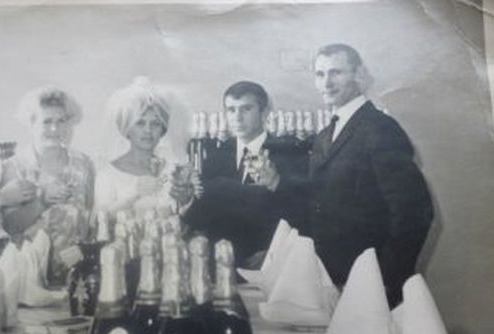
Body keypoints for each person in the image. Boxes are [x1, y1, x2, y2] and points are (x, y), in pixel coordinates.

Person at [309, 44, 433, 307]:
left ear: (358, 75)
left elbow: (415, 212)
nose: (326, 83)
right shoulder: (324, 136)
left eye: (336, 73)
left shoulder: (381, 128)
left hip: (372, 287)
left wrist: (384, 277)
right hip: (332, 281)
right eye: (320, 74)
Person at [171, 81, 309, 266]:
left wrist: (276, 254)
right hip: (220, 265)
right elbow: (202, 218)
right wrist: (188, 201)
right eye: (231, 110)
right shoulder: (215, 156)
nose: (237, 117)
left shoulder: (290, 155)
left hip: (271, 266)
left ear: (265, 112)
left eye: (246, 109)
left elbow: (303, 216)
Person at [0, 86, 96, 284]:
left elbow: (91, 221)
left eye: (61, 121)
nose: (55, 129)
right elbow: (10, 225)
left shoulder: (83, 164)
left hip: (74, 272)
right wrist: (41, 202)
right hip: (28, 274)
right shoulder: (14, 166)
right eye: (47, 121)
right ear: (31, 123)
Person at [95, 77, 180, 220]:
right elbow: (99, 220)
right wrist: (135, 192)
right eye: (140, 123)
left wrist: (185, 200)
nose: (148, 130)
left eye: (155, 124)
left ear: (162, 129)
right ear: (127, 129)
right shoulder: (108, 174)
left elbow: (181, 217)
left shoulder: (172, 170)